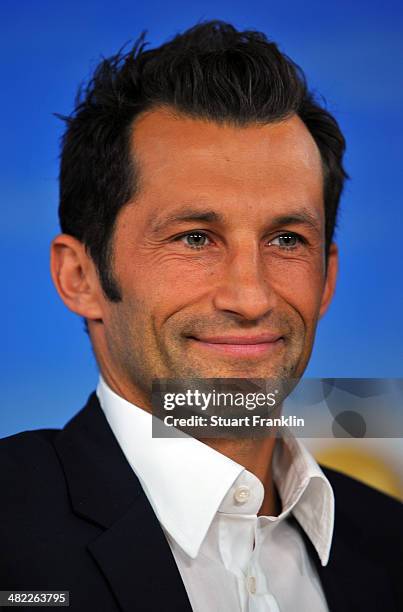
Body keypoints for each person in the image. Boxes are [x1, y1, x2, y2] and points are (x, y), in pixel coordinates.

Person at [1, 20, 402, 612]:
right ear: (79, 277)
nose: (251, 296)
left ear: (327, 278)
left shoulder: (392, 543)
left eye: (287, 240)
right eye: (194, 238)